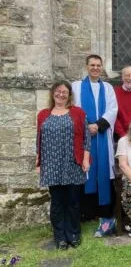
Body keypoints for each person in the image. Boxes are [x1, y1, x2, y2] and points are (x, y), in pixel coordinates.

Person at [36, 81, 90, 250]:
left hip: (72, 163)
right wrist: (39, 161)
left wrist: (86, 159)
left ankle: (73, 234)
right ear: (53, 93)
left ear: (69, 95)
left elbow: (86, 139)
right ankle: (59, 236)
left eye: (64, 92)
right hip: (51, 165)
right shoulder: (43, 114)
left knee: (73, 201)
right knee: (57, 202)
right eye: (58, 91)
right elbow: (38, 139)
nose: (61, 94)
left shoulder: (78, 113)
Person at [72, 54, 118, 237]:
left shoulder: (107, 87)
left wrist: (98, 125)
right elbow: (73, 109)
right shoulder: (76, 86)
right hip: (84, 136)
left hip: (101, 134)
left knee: (104, 171)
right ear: (86, 66)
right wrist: (86, 126)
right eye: (92, 65)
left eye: (98, 65)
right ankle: (87, 212)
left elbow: (113, 109)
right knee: (86, 170)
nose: (95, 68)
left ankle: (104, 213)